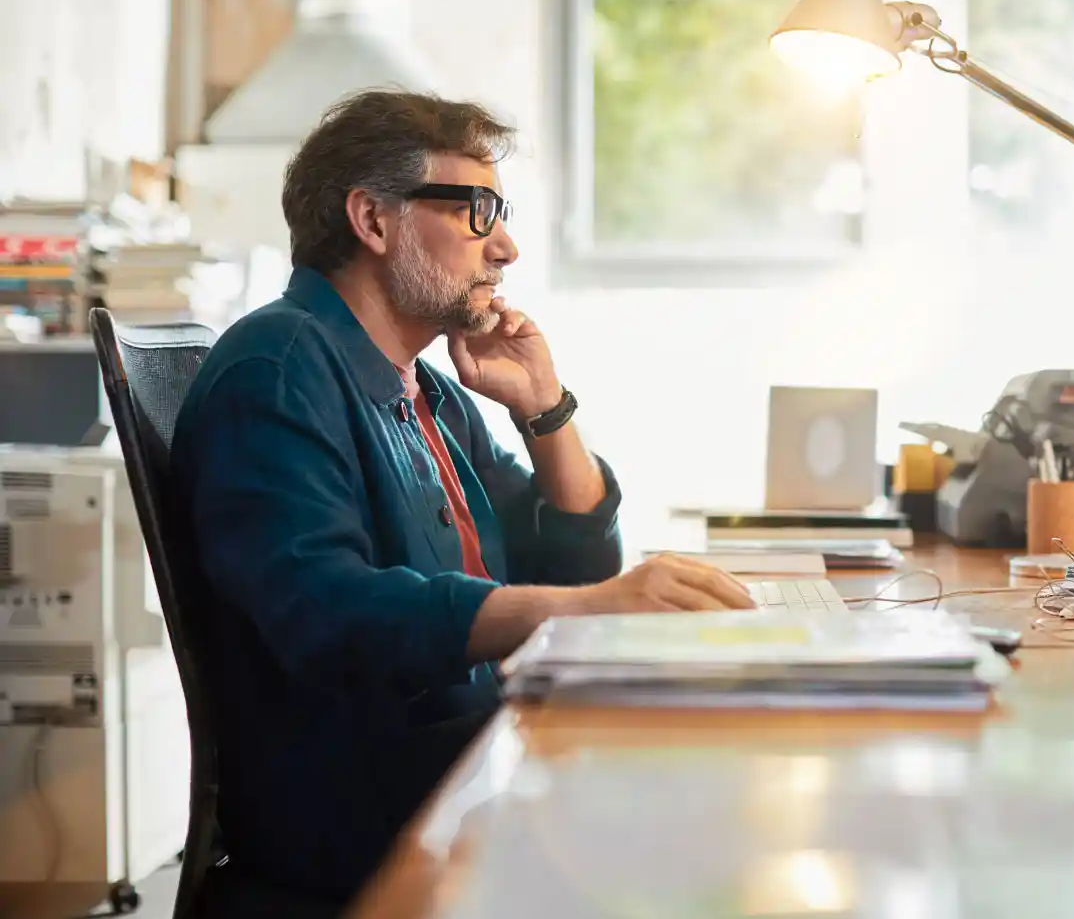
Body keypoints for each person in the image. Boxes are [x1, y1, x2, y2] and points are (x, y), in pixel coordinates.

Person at [168, 89, 754, 912]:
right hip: (380, 823)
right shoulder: (278, 370)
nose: (506, 247)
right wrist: (582, 607)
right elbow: (326, 612)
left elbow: (576, 562)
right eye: (479, 212)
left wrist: (544, 406)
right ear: (373, 220)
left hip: (467, 769)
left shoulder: (431, 393)